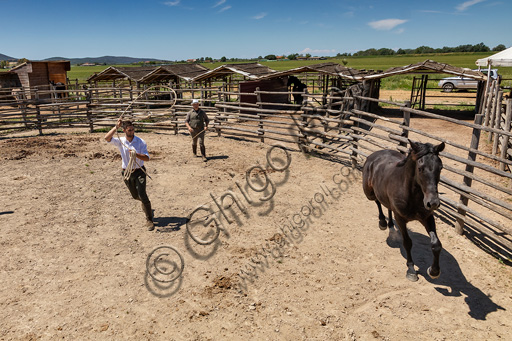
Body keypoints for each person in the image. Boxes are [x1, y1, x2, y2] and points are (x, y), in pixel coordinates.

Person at [104, 118, 154, 231]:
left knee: (142, 194)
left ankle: (149, 219)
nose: (131, 132)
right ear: (124, 130)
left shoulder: (141, 142)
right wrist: (115, 127)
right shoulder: (121, 141)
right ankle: (146, 207)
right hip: (127, 172)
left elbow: (147, 158)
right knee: (135, 196)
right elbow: (107, 138)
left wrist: (137, 155)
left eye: (132, 130)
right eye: (129, 130)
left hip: (139, 171)